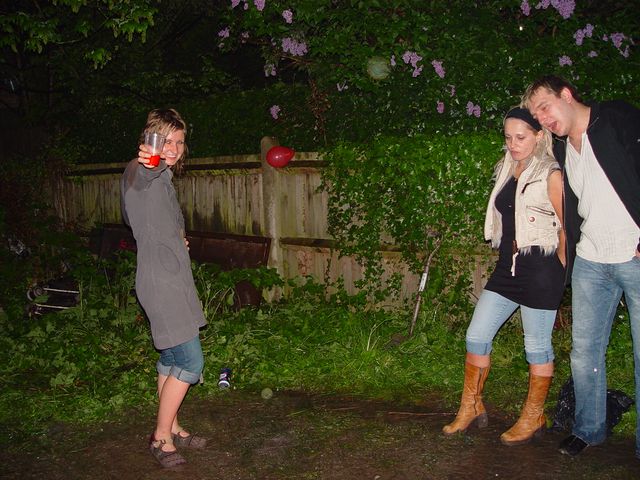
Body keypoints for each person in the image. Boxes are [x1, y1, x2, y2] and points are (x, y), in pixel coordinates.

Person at [523, 75, 640, 458]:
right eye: (537, 116)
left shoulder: (617, 117)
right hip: (591, 261)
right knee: (584, 352)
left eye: (545, 107)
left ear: (567, 94)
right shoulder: (562, 149)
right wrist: (568, 251)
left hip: (634, 256)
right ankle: (588, 428)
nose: (543, 119)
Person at [442, 107, 566, 446]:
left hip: (540, 270)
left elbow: (567, 229)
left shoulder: (551, 174)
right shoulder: (506, 169)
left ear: (539, 136)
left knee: (536, 347)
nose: (513, 144)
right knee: (476, 336)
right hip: (507, 268)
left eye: (521, 137)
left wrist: (560, 272)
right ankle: (471, 405)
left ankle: (534, 415)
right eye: (508, 137)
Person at [121, 109, 208, 467]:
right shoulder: (140, 170)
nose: (173, 148)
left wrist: (176, 239)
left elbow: (152, 221)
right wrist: (150, 159)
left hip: (172, 277)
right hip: (161, 283)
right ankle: (160, 437)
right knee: (190, 360)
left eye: (179, 142)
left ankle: (172, 425)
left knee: (171, 358)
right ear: (149, 140)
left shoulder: (165, 179)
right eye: (166, 140)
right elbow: (143, 173)